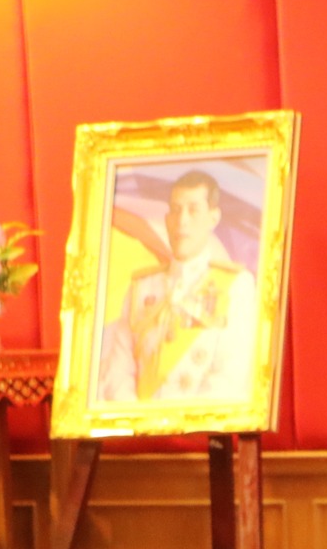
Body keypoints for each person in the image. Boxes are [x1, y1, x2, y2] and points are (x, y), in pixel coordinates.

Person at [96, 169, 257, 403]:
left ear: (213, 218)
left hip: (201, 422)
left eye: (193, 210)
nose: (182, 221)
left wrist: (178, 421)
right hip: (139, 422)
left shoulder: (235, 286)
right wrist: (138, 419)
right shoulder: (142, 287)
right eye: (176, 210)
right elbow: (118, 371)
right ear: (167, 219)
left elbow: (230, 378)